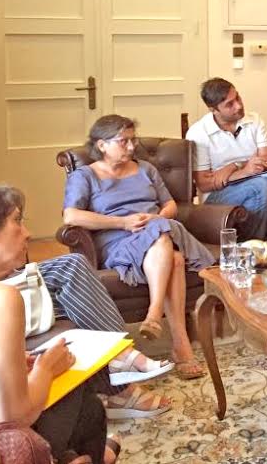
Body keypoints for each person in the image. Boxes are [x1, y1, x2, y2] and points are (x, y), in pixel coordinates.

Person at [0, 188, 119, 464]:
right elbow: (15, 416)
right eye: (17, 221)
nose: (27, 233)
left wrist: (17, 363)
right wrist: (47, 369)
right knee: (86, 404)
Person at [63, 115, 213, 379]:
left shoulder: (145, 169)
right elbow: (71, 216)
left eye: (133, 140)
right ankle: (173, 337)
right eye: (124, 141)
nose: (132, 147)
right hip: (117, 241)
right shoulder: (85, 176)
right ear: (102, 145)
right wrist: (122, 222)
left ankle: (166, 329)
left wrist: (157, 219)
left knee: (169, 247)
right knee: (173, 255)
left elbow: (170, 205)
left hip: (156, 233)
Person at [186, 78, 267, 252]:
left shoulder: (254, 120)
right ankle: (251, 252)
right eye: (229, 104)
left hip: (253, 178)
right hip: (217, 196)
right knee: (260, 185)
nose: (239, 106)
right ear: (213, 110)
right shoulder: (199, 133)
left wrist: (233, 167)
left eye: (238, 98)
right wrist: (245, 170)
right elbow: (204, 183)